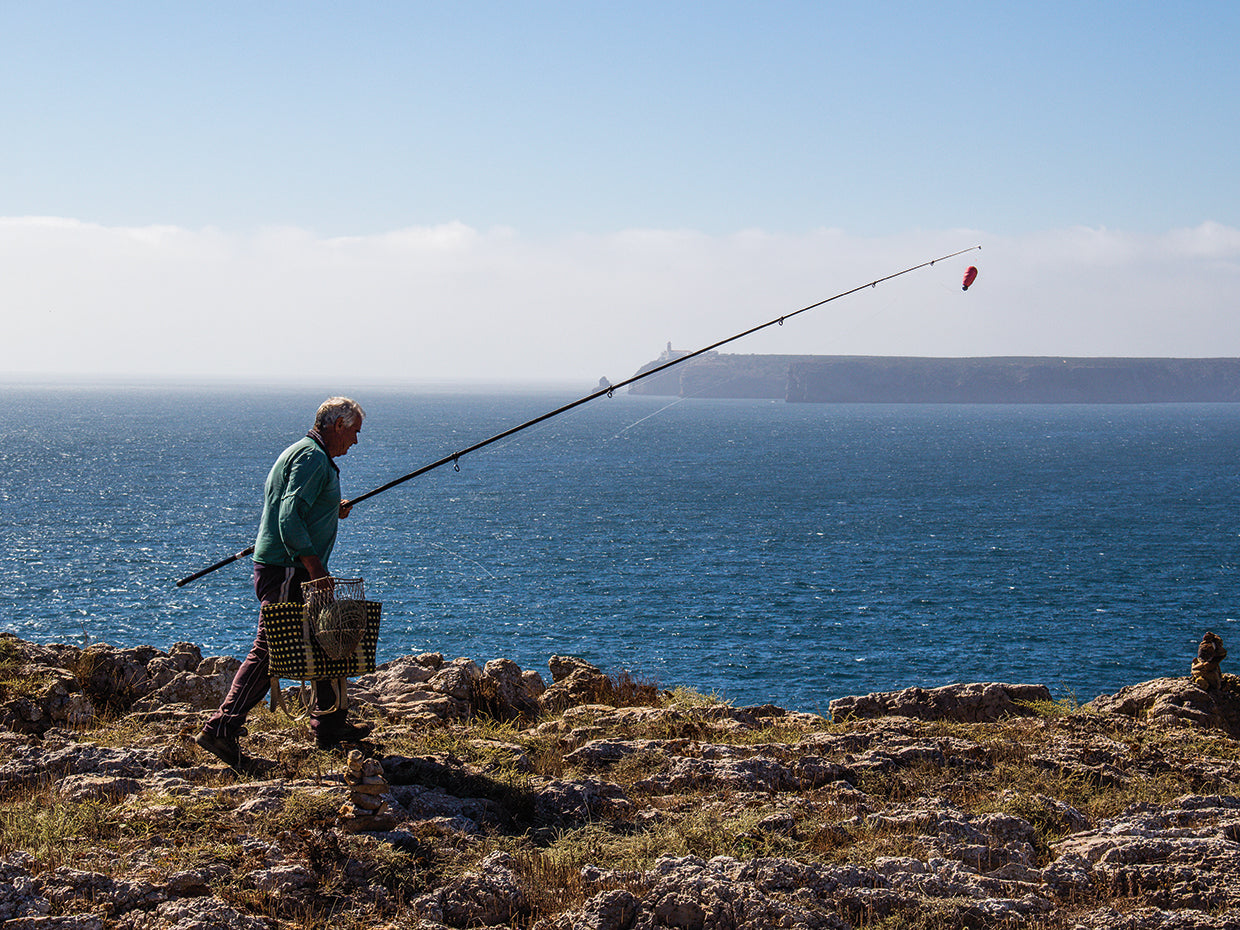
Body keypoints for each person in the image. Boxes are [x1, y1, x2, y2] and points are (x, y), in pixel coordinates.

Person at [195, 396, 371, 768]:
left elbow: (296, 507)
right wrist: (313, 565)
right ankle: (222, 728)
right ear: (337, 426)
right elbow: (289, 515)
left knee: (324, 639)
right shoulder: (313, 459)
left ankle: (330, 724)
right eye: (354, 432)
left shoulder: (303, 452)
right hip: (290, 568)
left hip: (285, 565)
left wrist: (329, 507)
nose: (355, 441)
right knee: (272, 650)